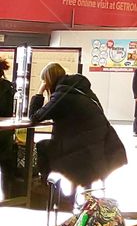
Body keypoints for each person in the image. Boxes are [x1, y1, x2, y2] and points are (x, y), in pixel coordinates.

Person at [29, 63, 127, 191]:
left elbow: (34, 117)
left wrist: (39, 93)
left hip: (80, 152)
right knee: (53, 144)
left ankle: (45, 188)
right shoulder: (82, 89)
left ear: (48, 81)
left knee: (42, 146)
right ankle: (70, 190)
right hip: (102, 149)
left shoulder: (62, 95)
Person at [0, 57, 15, 199]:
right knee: (5, 166)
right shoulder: (8, 86)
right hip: (5, 133)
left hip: (3, 133)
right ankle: (7, 197)